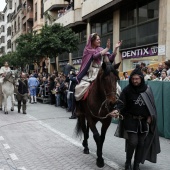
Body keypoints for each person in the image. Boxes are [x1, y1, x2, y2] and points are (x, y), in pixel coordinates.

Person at [110, 68, 160, 170]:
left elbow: (151, 105)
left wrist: (150, 116)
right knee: (133, 142)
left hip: (143, 121)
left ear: (141, 78)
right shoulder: (127, 90)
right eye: (133, 79)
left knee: (141, 143)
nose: (135, 81)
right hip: (130, 120)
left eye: (137, 79)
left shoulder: (147, 89)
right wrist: (116, 110)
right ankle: (128, 162)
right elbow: (121, 103)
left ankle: (136, 164)